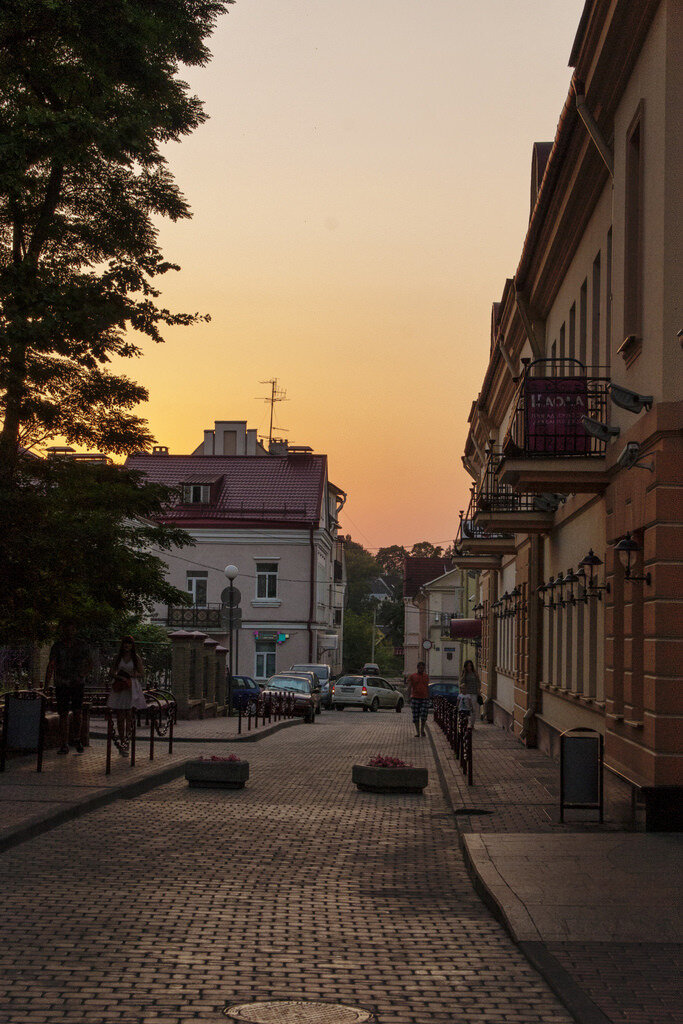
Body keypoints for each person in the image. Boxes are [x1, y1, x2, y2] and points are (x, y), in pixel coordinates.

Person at [45, 621, 91, 754]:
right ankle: (64, 743)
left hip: (77, 683)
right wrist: (47, 684)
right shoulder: (57, 646)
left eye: (71, 630)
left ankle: (77, 738)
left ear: (75, 630)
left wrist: (83, 674)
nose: (69, 633)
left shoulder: (82, 645)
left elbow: (89, 662)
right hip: (62, 683)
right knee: (63, 713)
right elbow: (51, 665)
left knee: (77, 712)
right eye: (66, 630)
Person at [107, 636, 147, 752]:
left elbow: (141, 673)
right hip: (120, 686)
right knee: (120, 715)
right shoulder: (118, 657)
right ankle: (121, 740)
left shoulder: (136, 658)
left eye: (129, 644)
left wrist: (133, 674)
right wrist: (118, 676)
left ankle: (127, 741)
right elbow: (111, 672)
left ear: (132, 645)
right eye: (125, 644)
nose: (127, 646)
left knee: (129, 714)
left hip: (131, 686)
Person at [406, 661, 430, 738]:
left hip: (424, 698)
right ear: (417, 668)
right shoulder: (412, 676)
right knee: (416, 716)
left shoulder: (426, 676)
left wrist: (428, 697)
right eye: (420, 668)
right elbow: (409, 687)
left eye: (422, 668)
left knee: (423, 715)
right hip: (415, 697)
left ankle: (422, 729)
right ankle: (417, 732)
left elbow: (427, 687)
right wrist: (408, 697)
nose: (421, 669)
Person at [459, 659, 482, 728]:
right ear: (465, 667)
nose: (469, 667)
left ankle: (472, 724)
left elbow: (478, 682)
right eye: (468, 666)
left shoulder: (475, 673)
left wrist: (478, 690)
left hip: (474, 693)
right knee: (466, 708)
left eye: (470, 666)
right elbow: (461, 682)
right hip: (467, 693)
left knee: (473, 709)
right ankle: (465, 722)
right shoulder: (464, 674)